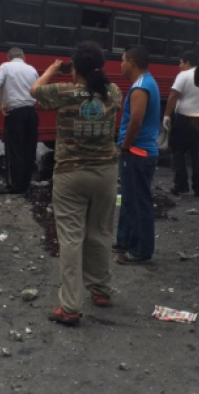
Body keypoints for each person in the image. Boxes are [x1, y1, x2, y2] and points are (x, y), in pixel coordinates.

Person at [31, 42, 122, 326]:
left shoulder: (64, 92)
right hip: (106, 173)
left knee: (71, 237)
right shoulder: (114, 92)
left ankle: (70, 306)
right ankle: (101, 290)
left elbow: (35, 91)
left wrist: (52, 70)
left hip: (71, 174)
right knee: (101, 232)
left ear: (75, 68)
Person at [115, 46, 161, 265]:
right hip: (137, 151)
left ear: (132, 62)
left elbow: (136, 121)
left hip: (137, 152)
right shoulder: (145, 83)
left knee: (138, 202)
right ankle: (124, 240)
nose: (120, 65)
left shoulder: (141, 87)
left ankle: (141, 250)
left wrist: (125, 145)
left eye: (122, 60)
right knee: (128, 200)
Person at [0, 48, 39, 195]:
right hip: (31, 112)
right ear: (24, 56)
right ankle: (25, 184)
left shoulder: (5, 66)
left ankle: (15, 186)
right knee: (29, 149)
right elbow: (39, 89)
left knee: (15, 149)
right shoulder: (32, 69)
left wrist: (0, 105)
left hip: (15, 112)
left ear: (8, 57)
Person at [163, 51, 199, 196]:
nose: (179, 66)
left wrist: (167, 116)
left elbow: (173, 95)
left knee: (178, 151)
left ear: (187, 63)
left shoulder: (184, 75)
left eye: (181, 62)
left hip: (184, 119)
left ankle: (181, 185)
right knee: (196, 155)